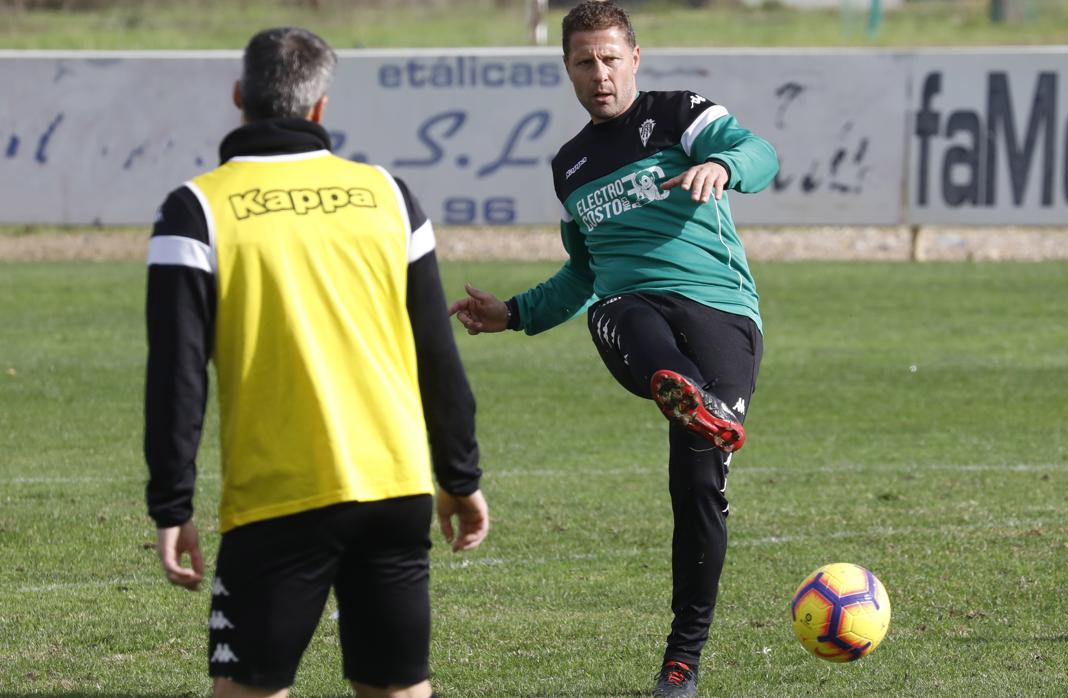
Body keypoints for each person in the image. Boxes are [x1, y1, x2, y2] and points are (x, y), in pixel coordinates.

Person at [144, 27, 488, 698]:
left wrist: (171, 502)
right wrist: (457, 474)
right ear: (321, 108)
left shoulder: (195, 210)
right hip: (394, 491)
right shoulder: (388, 196)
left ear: (240, 96)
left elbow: (177, 377)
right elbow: (435, 353)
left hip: (279, 499)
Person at [447, 2, 777, 696]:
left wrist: (720, 164)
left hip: (720, 311)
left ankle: (682, 659)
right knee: (622, 310)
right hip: (630, 314)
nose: (598, 74)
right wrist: (512, 313)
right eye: (582, 62)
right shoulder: (570, 166)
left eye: (608, 59)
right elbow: (582, 273)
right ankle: (689, 398)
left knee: (696, 487)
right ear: (566, 68)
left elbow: (758, 152)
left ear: (633, 58)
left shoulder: (679, 112)